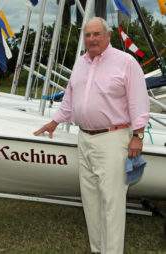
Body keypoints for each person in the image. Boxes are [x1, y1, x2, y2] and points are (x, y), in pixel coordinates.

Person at [34, 17, 149, 254]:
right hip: (84, 138)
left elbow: (139, 101)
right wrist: (54, 122)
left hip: (113, 139)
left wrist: (137, 136)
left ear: (108, 36)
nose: (92, 39)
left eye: (97, 34)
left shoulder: (126, 62)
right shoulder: (81, 62)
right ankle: (98, 249)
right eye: (88, 35)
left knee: (112, 202)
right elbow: (70, 98)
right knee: (90, 200)